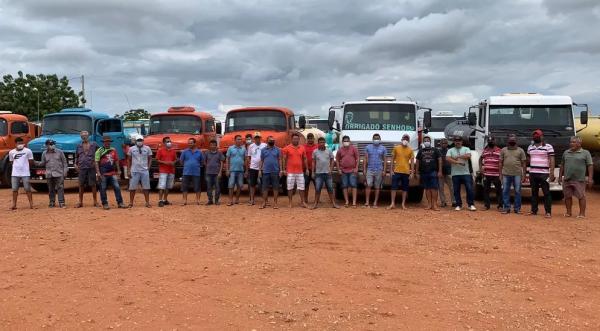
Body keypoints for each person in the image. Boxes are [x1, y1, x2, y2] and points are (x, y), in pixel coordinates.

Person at [559, 136, 594, 218]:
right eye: (571, 142)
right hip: (567, 178)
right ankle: (568, 212)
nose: (571, 144)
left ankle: (582, 214)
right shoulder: (566, 152)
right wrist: (560, 177)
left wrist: (590, 178)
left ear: (579, 143)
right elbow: (562, 165)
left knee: (581, 196)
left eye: (574, 142)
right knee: (567, 196)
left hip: (579, 179)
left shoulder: (586, 153)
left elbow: (590, 166)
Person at [527, 130, 555, 218]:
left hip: (544, 173)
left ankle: (548, 212)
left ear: (542, 137)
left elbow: (552, 160)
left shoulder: (548, 147)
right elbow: (529, 159)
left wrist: (552, 173)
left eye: (538, 136)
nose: (536, 137)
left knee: (546, 193)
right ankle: (534, 210)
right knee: (534, 192)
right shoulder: (530, 147)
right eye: (534, 136)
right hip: (533, 173)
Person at [95, 135, 125, 210]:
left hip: (112, 172)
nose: (107, 143)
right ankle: (105, 203)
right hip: (103, 173)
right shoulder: (99, 151)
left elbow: (116, 160)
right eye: (106, 142)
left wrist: (118, 170)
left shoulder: (113, 150)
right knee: (103, 188)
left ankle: (120, 202)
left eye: (108, 141)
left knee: (117, 187)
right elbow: (96, 162)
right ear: (103, 142)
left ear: (110, 142)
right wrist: (98, 172)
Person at [446, 136, 476, 211]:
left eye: (459, 141)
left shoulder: (466, 149)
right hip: (455, 173)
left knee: (469, 189)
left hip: (466, 173)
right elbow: (447, 158)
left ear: (462, 142)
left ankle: (471, 204)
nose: (457, 142)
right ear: (454, 142)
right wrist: (457, 162)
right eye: (456, 141)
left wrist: (458, 156)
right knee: (456, 190)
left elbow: (468, 156)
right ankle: (458, 204)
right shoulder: (450, 150)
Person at [499, 134, 527, 214]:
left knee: (518, 191)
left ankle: (517, 209)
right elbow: (500, 163)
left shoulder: (520, 150)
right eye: (510, 140)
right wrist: (500, 174)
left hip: (517, 174)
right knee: (505, 191)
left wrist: (524, 175)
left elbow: (524, 164)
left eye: (513, 140)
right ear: (507, 141)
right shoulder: (503, 150)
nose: (512, 141)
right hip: (505, 174)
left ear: (516, 141)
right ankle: (506, 208)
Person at [37, 139, 68, 208]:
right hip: (49, 174)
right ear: (46, 145)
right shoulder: (44, 153)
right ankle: (52, 202)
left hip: (59, 173)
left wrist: (65, 172)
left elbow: (65, 163)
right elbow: (43, 163)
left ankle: (61, 202)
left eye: (53, 144)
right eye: (50, 144)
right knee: (51, 189)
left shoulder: (60, 152)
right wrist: (34, 162)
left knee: (60, 188)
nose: (52, 145)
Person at [311, 137, 339, 209]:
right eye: (320, 142)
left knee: (330, 189)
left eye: (323, 142)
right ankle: (315, 204)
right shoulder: (315, 152)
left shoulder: (329, 151)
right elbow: (313, 162)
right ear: (318, 143)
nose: (322, 144)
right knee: (317, 189)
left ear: (325, 143)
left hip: (327, 173)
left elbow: (332, 160)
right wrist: (313, 172)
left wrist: (331, 169)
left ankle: (333, 203)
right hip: (318, 174)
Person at [415, 136, 442, 210]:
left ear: (430, 141)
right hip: (424, 172)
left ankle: (435, 205)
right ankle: (429, 204)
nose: (427, 141)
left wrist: (440, 171)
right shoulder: (421, 150)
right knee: (427, 188)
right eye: (425, 140)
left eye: (428, 140)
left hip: (433, 171)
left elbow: (439, 160)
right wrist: (417, 172)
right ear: (423, 142)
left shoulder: (435, 150)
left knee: (434, 188)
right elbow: (417, 161)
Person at [283, 133, 309, 208]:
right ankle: (290, 202)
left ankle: (302, 202)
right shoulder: (287, 148)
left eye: (297, 139)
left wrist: (307, 168)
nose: (295, 140)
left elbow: (305, 158)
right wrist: (284, 169)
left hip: (300, 171)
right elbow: (284, 159)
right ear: (292, 139)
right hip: (290, 171)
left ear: (299, 139)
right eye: (294, 139)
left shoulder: (302, 148)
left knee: (301, 187)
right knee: (290, 187)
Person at [389, 134, 414, 210]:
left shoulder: (410, 150)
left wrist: (412, 172)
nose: (405, 140)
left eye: (407, 139)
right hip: (396, 171)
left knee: (405, 189)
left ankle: (403, 204)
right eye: (404, 138)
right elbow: (392, 159)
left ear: (409, 141)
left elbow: (412, 162)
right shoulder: (396, 148)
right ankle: (392, 203)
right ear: (401, 139)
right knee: (394, 188)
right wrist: (391, 170)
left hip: (406, 172)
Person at [74, 130, 99, 208]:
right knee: (81, 185)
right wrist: (75, 164)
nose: (84, 137)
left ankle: (95, 201)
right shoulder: (78, 145)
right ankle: (80, 202)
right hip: (81, 167)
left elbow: (99, 153)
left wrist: (96, 162)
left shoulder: (94, 144)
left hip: (91, 167)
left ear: (88, 136)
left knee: (93, 184)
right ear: (81, 137)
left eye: (85, 135)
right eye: (82, 136)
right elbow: (76, 156)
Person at [127, 135, 152, 208]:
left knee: (146, 187)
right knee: (132, 187)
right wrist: (128, 170)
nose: (139, 142)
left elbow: (150, 158)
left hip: (144, 170)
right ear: (135, 141)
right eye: (138, 140)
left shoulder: (147, 148)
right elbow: (128, 159)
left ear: (143, 140)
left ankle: (147, 202)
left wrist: (149, 167)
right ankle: (131, 203)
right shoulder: (131, 149)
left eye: (141, 140)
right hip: (134, 170)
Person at [9, 137, 34, 210]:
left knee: (27, 188)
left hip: (25, 173)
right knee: (14, 189)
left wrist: (26, 167)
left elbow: (31, 161)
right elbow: (11, 162)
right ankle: (14, 204)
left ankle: (31, 204)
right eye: (19, 143)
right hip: (15, 173)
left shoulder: (28, 151)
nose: (21, 144)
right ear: (15, 144)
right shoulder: (11, 152)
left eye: (22, 143)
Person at [259, 136, 283, 209]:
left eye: (273, 140)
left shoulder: (278, 149)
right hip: (266, 171)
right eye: (270, 140)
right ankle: (264, 202)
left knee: (275, 188)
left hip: (275, 171)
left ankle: (275, 203)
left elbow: (280, 160)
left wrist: (281, 170)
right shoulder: (263, 150)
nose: (272, 141)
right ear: (267, 141)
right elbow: (261, 160)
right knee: (264, 188)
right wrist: (260, 170)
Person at [480, 136, 503, 211]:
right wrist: (481, 168)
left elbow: (502, 162)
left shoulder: (500, 150)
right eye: (489, 141)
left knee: (498, 190)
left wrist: (501, 173)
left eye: (492, 141)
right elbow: (480, 159)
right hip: (487, 174)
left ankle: (500, 206)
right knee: (486, 190)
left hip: (497, 174)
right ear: (488, 142)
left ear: (495, 141)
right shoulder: (485, 150)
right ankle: (486, 206)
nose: (491, 142)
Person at [364, 133, 387, 208]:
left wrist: (384, 170)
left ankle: (375, 203)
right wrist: (364, 169)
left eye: (377, 138)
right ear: (372, 139)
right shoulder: (368, 147)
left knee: (377, 187)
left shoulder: (383, 148)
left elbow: (385, 160)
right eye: (375, 138)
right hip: (370, 169)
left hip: (379, 169)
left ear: (380, 140)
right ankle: (367, 202)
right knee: (368, 185)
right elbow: (365, 159)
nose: (376, 140)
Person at [336, 135, 359, 207]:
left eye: (347, 140)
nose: (346, 142)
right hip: (343, 170)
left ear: (350, 141)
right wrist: (338, 169)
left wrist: (356, 168)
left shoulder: (354, 149)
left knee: (353, 185)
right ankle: (346, 201)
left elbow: (357, 158)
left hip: (352, 170)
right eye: (345, 141)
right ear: (342, 142)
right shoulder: (340, 150)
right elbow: (337, 159)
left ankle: (354, 202)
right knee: (344, 186)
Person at [180, 137, 203, 205]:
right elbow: (181, 161)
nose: (189, 144)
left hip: (196, 172)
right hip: (186, 172)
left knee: (197, 187)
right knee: (184, 187)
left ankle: (198, 200)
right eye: (189, 143)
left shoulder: (199, 152)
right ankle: (184, 200)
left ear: (195, 143)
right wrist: (187, 165)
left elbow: (202, 162)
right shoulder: (185, 151)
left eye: (191, 143)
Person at [156, 136, 177, 207]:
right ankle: (160, 200)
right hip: (163, 171)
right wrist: (165, 162)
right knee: (162, 186)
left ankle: (165, 200)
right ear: (164, 143)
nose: (169, 143)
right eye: (167, 141)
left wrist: (174, 162)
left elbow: (175, 159)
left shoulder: (173, 151)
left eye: (170, 141)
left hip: (171, 171)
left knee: (168, 186)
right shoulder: (160, 150)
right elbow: (157, 160)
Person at [246, 132, 266, 205]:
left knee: (264, 184)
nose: (257, 139)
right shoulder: (250, 146)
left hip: (263, 168)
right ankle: (252, 200)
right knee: (252, 184)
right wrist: (249, 164)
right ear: (254, 139)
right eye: (256, 138)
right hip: (253, 168)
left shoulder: (265, 145)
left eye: (258, 137)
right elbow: (248, 156)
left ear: (260, 138)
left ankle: (265, 200)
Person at [226, 135, 246, 206]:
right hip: (232, 170)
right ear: (235, 140)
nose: (239, 140)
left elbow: (245, 160)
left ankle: (237, 200)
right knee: (231, 185)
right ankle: (230, 200)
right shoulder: (230, 148)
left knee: (240, 185)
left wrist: (246, 171)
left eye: (240, 139)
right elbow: (227, 159)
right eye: (238, 139)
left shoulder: (243, 149)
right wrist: (227, 170)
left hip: (241, 170)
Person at [204, 139, 225, 205]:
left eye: (214, 145)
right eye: (211, 145)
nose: (212, 146)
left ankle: (216, 200)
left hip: (217, 173)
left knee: (217, 187)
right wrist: (207, 167)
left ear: (216, 146)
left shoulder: (219, 153)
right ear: (209, 146)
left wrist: (220, 172)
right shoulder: (206, 153)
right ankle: (210, 200)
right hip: (208, 173)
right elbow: (204, 161)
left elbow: (222, 162)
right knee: (208, 187)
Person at [437, 138, 456, 208]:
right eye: (442, 143)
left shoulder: (450, 151)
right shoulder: (438, 151)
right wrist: (439, 171)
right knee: (441, 188)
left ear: (447, 144)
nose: (444, 144)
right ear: (440, 144)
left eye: (445, 143)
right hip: (441, 172)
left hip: (449, 171)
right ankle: (443, 202)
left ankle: (454, 201)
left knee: (452, 187)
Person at [303, 133, 318, 204]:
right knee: (306, 185)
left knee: (317, 185)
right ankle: (305, 199)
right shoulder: (303, 147)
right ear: (307, 139)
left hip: (316, 169)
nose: (310, 139)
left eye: (311, 138)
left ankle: (316, 200)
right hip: (306, 169)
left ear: (313, 139)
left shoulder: (317, 146)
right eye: (309, 138)